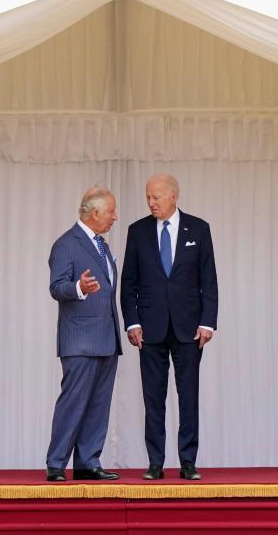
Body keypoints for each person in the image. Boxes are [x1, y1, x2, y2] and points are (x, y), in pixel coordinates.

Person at [121, 174, 218, 481]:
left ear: (174, 196)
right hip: (149, 330)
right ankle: (155, 463)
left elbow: (209, 281)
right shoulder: (137, 231)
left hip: (189, 328)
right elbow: (128, 283)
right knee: (153, 398)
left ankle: (188, 461)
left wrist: (208, 323)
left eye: (157, 197)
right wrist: (132, 322)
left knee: (189, 396)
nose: (151, 203)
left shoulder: (199, 229)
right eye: (148, 197)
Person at [45, 188, 123, 482]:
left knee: (99, 404)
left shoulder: (101, 244)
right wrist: (79, 288)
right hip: (79, 340)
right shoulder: (66, 244)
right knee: (73, 402)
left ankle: (88, 462)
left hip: (106, 338)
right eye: (111, 212)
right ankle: (56, 463)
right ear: (95, 214)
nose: (115, 217)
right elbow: (56, 287)